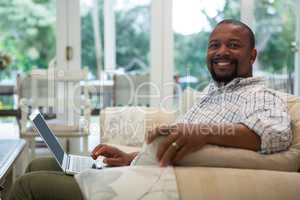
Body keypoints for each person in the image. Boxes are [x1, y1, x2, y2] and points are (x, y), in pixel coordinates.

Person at [9, 19, 292, 200]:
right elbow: (178, 146)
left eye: (233, 45)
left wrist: (203, 133)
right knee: (40, 163)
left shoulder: (260, 94)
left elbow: (274, 134)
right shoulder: (213, 94)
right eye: (214, 45)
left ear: (252, 55)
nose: (221, 52)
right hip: (141, 170)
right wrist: (131, 157)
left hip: (154, 186)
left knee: (28, 185)